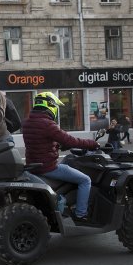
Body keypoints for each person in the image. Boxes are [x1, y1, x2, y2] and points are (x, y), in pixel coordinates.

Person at [22, 92, 99, 223]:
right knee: (85, 180)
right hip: (48, 167)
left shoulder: (27, 122)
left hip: (33, 165)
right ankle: (81, 214)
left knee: (67, 163)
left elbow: (39, 142)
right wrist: (92, 144)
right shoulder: (47, 124)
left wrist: (57, 145)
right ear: (50, 105)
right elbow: (70, 140)